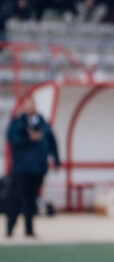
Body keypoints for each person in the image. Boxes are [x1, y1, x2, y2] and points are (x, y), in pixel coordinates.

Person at [6, 97, 60, 238]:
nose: (29, 108)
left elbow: (52, 142)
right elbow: (12, 140)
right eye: (27, 106)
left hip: (38, 168)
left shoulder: (43, 123)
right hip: (20, 169)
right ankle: (10, 228)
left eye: (32, 105)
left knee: (31, 200)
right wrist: (29, 139)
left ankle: (29, 230)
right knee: (15, 198)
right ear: (22, 107)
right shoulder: (16, 124)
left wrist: (56, 159)